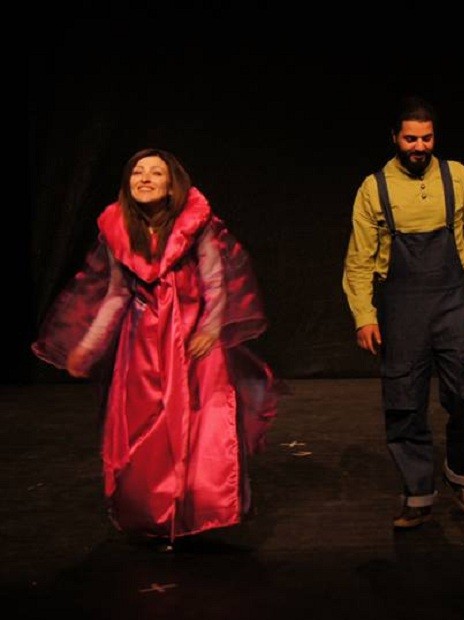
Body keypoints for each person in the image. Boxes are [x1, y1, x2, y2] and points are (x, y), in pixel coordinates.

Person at [31, 148, 280, 550]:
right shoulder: (118, 228)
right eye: (137, 172)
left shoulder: (196, 223)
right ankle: (153, 515)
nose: (145, 178)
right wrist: (88, 346)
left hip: (191, 341)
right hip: (143, 343)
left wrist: (209, 329)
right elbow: (116, 294)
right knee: (145, 432)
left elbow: (215, 282)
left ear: (171, 185)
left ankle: (195, 513)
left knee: (198, 425)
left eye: (155, 173)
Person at [342, 96, 464, 529]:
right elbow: (359, 260)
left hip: (454, 301)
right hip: (402, 305)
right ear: (395, 137)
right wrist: (364, 315)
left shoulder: (457, 177)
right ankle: (417, 493)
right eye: (411, 138)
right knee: (404, 401)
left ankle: (462, 475)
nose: (419, 146)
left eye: (427, 138)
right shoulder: (374, 188)